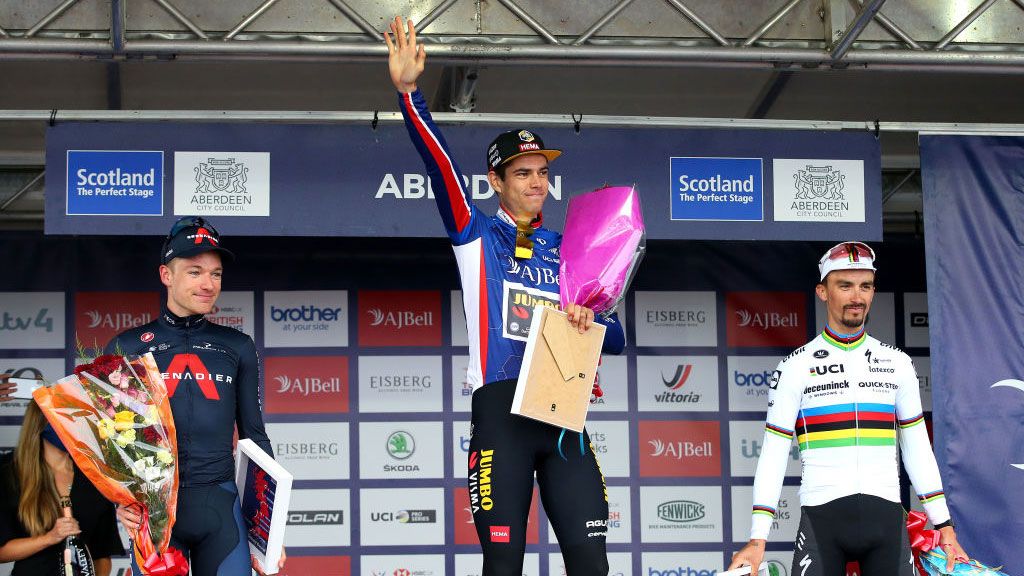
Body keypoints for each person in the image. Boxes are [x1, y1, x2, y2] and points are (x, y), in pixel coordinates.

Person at [386, 17, 627, 576]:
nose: (536, 182)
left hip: (564, 413)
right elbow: (440, 164)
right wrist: (409, 94)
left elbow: (616, 339)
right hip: (500, 411)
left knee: (592, 560)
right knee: (503, 563)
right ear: (496, 182)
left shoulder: (570, 251)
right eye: (522, 173)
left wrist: (589, 318)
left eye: (542, 172)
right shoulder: (477, 234)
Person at [729, 242, 968, 576]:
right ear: (823, 291)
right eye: (845, 285)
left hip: (886, 522)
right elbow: (773, 453)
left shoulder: (898, 363)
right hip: (822, 521)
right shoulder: (795, 367)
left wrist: (944, 524)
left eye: (865, 286)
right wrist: (758, 538)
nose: (858, 297)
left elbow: (917, 449)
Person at [105, 216, 284, 576]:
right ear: (166, 275)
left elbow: (254, 436)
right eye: (195, 272)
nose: (208, 284)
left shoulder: (238, 347)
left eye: (216, 274)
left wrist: (270, 530)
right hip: (155, 512)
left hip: (220, 508)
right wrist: (119, 501)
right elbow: (111, 442)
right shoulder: (125, 347)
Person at [0, 401, 124, 575]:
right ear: (42, 423)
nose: (72, 427)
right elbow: (2, 551)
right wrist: (49, 538)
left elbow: (102, 553)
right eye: (64, 419)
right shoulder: (10, 472)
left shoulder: (93, 475)